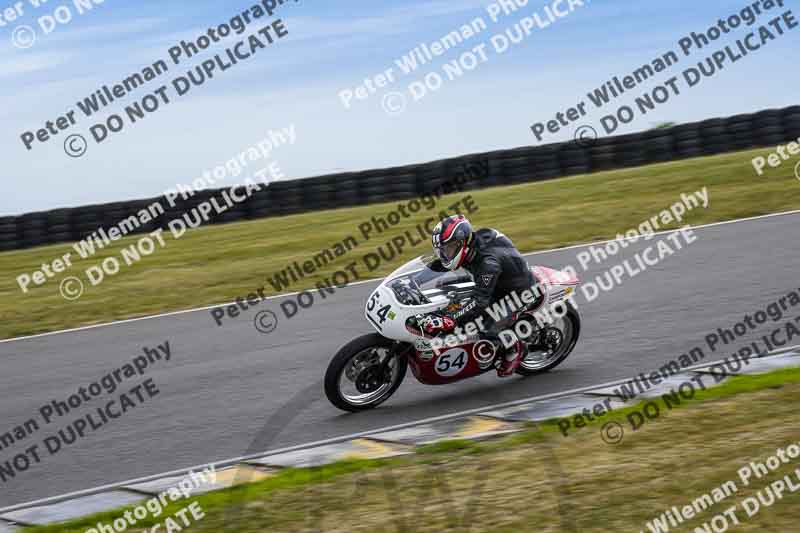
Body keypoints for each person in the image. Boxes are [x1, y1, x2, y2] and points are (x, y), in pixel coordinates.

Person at [419, 214, 538, 377]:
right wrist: (415, 280)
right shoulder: (470, 246)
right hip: (497, 280)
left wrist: (451, 319)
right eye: (442, 250)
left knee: (484, 327)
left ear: (463, 242)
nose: (444, 254)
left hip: (517, 292)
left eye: (448, 249)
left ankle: (515, 348)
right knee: (445, 288)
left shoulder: (488, 264)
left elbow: (479, 303)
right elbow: (440, 265)